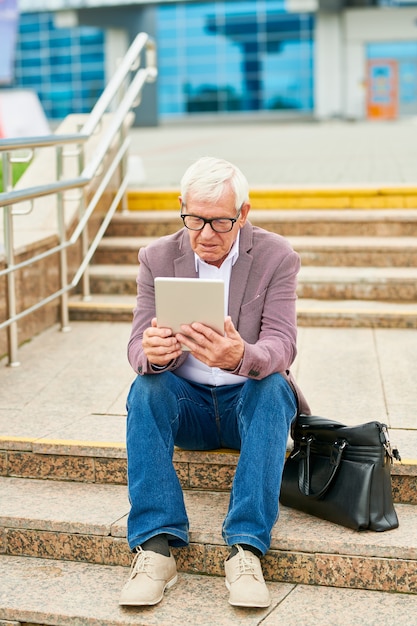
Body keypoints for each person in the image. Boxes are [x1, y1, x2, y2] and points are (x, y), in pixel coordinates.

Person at [119, 156, 310, 608]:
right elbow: (135, 347)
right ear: (182, 207)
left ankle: (246, 548)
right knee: (145, 389)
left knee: (273, 385)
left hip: (249, 405)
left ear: (243, 214)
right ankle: (156, 546)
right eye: (194, 219)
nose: (205, 234)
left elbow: (283, 344)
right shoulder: (157, 257)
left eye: (221, 222)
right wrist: (152, 353)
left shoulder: (276, 256)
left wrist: (241, 356)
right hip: (188, 407)